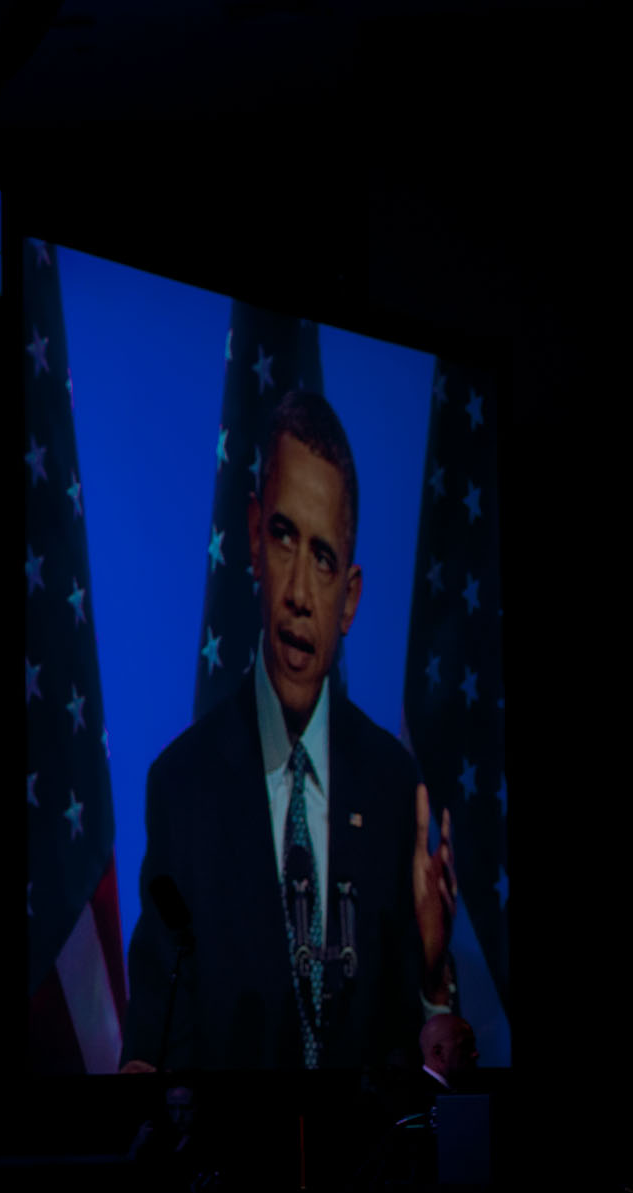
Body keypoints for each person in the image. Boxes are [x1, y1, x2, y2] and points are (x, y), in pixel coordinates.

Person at [120, 391, 458, 1072]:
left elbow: (429, 1065)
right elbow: (154, 1047)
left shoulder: (393, 789)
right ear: (251, 534)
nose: (301, 592)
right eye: (283, 537)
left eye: (325, 557)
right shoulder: (181, 787)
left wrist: (431, 980)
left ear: (352, 599)